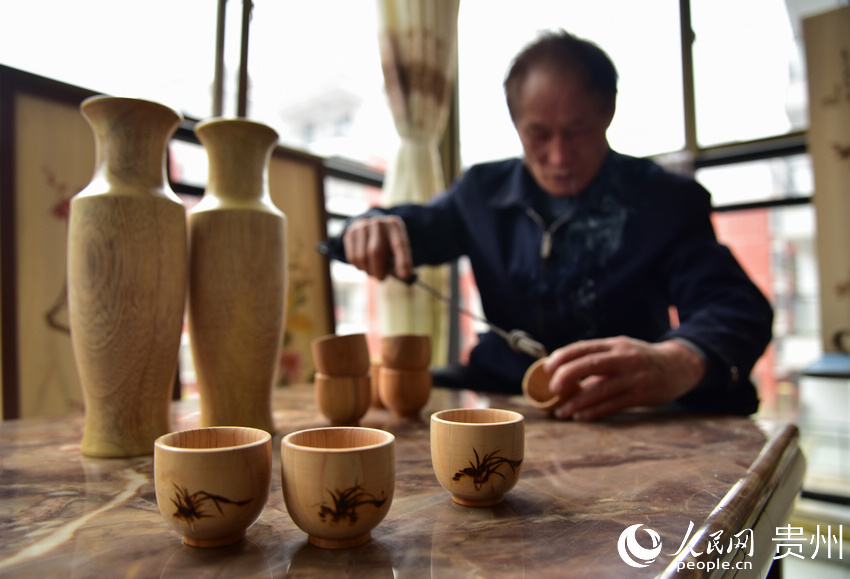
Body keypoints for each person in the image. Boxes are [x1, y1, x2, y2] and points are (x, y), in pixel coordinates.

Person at [325, 30, 773, 420]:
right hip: (502, 389)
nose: (558, 158)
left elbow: (734, 308)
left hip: (622, 405)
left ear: (608, 113)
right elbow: (411, 228)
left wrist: (679, 360)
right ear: (516, 124)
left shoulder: (664, 201)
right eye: (539, 134)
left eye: (577, 131)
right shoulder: (481, 192)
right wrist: (371, 224)